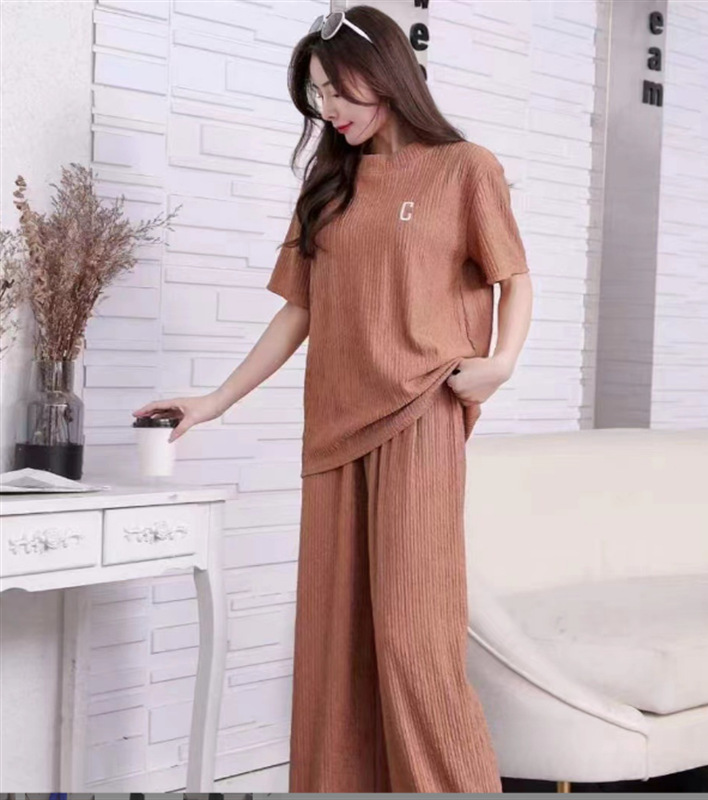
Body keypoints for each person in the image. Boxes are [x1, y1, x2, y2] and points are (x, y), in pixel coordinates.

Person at [132, 4, 532, 792]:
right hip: (332, 430)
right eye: (316, 95)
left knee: (414, 643)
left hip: (420, 414)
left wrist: (501, 364)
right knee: (337, 647)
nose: (329, 109)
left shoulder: (464, 167)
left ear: (384, 72)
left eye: (338, 89)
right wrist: (216, 400)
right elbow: (300, 310)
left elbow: (513, 277)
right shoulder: (329, 183)